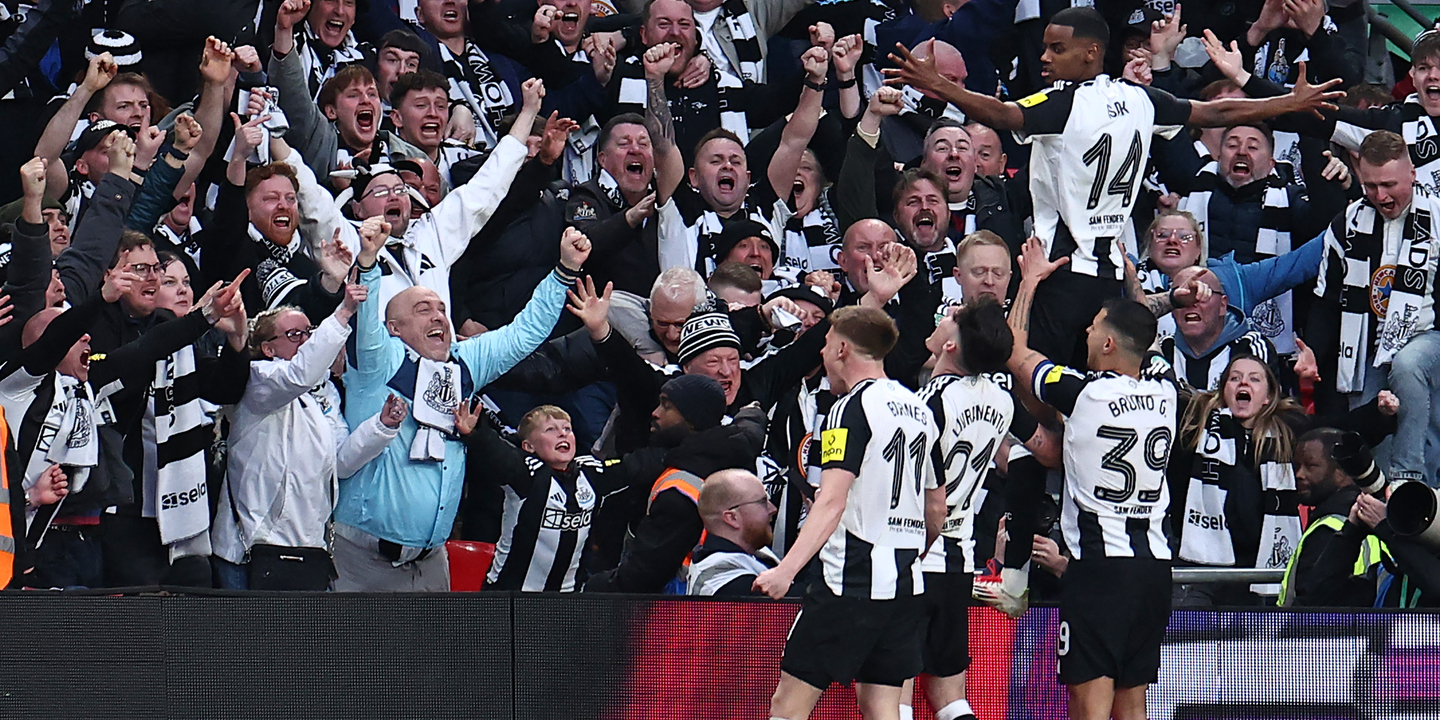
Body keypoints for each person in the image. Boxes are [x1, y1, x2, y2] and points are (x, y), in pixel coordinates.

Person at [886, 6, 1343, 367]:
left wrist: (938, 86)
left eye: (1056, 49)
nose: (1043, 58)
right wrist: (1286, 102)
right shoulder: (1140, 99)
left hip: (1056, 271)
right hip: (1109, 276)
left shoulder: (1061, 102)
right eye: (1044, 48)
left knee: (1029, 376)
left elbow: (1003, 115)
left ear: (1089, 53)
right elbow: (1212, 114)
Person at [331, 223, 590, 591]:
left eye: (441, 309)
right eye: (423, 310)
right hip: (363, 563)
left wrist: (564, 271)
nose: (438, 316)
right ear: (394, 327)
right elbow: (364, 321)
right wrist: (369, 263)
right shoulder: (378, 362)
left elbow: (524, 333)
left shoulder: (465, 362)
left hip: (432, 563)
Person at [1000, 236, 1179, 720]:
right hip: (1153, 570)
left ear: (1106, 343)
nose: (1084, 330)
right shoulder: (1166, 389)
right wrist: (1130, 282)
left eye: (1094, 326)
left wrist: (1030, 282)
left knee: (1088, 706)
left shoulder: (1083, 393)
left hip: (1100, 572)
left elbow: (1013, 350)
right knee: (1133, 704)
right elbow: (1143, 328)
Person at [755, 305, 944, 720]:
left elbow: (832, 498)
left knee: (788, 706)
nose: (822, 355)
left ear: (842, 348)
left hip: (850, 581)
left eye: (825, 345)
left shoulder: (849, 407)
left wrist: (786, 570)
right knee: (881, 707)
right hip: (904, 585)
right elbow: (936, 506)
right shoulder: (920, 411)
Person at [211, 281, 406, 591]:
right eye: (294, 335)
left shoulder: (326, 393)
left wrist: (380, 428)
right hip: (250, 549)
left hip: (307, 549)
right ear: (269, 348)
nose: (306, 340)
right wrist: (343, 314)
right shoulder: (260, 380)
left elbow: (339, 464)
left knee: (303, 641)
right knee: (248, 640)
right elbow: (299, 374)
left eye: (309, 332)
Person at [1310, 131, 1440, 485]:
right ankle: (1383, 499)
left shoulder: (1439, 218)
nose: (1380, 196)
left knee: (1408, 363)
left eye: (1389, 184)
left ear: (1412, 173)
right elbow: (1326, 299)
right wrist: (1310, 352)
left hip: (1430, 338)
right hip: (1367, 349)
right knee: (1369, 411)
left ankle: (1408, 480)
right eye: (1370, 185)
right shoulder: (1346, 223)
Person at [910, 297, 1017, 720]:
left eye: (951, 319)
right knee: (951, 696)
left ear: (951, 346)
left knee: (891, 694)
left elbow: (921, 491)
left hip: (916, 555)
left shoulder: (926, 402)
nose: (944, 318)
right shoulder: (1002, 402)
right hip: (960, 559)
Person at [467, 404, 630, 592]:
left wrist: (668, 454)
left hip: (567, 597)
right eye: (550, 429)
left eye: (567, 428)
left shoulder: (591, 473)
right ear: (529, 446)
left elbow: (636, 467)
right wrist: (474, 434)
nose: (562, 434)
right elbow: (498, 454)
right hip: (511, 595)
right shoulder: (525, 473)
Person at [1279, 428, 1389, 607]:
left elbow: (1310, 600)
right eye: (1296, 466)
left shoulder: (1329, 528)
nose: (1299, 474)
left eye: (1311, 466)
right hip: (1362, 628)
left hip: (1321, 630)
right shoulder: (1371, 516)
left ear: (1343, 473)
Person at [1156, 266, 1276, 392]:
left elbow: (1267, 407)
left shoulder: (1251, 348)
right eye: (1182, 296)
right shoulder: (1162, 350)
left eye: (1201, 294)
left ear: (1222, 305)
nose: (1190, 303)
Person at [688, 468, 779, 597]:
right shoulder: (722, 579)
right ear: (732, 518)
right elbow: (806, 603)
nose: (773, 509)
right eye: (762, 502)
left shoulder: (753, 551)